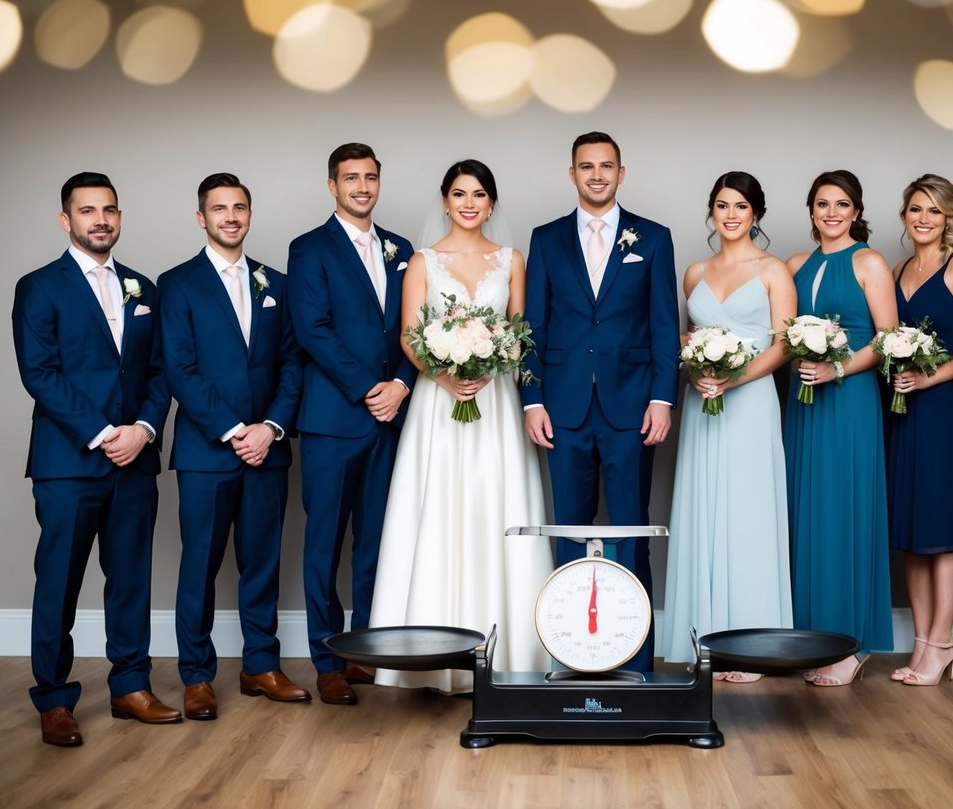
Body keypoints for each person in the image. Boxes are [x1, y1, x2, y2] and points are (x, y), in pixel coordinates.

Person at [369, 160, 553, 693]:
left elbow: (520, 334)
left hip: (495, 403)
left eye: (478, 195)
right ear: (445, 201)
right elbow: (409, 336)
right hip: (438, 404)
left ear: (491, 203)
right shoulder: (422, 261)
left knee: (496, 505)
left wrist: (490, 365)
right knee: (440, 507)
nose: (469, 203)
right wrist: (444, 374)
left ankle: (512, 650)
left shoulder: (511, 260)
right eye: (459, 194)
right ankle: (431, 654)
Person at [12, 172, 177, 746]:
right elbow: (40, 373)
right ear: (67, 220)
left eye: (108, 210)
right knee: (58, 583)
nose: (99, 220)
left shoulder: (143, 288)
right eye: (87, 211)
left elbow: (159, 371)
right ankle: (54, 699)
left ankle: (131, 686)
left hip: (135, 460)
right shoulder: (39, 286)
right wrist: (105, 433)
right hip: (68, 463)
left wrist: (144, 429)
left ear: (119, 217)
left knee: (131, 580)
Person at [522, 131, 680, 674]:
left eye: (606, 166)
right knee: (569, 531)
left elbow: (664, 325)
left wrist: (662, 397)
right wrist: (532, 400)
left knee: (633, 532)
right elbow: (533, 327)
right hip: (562, 409)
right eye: (586, 166)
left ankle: (638, 660)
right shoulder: (546, 239)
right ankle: (571, 656)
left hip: (632, 407)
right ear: (572, 174)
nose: (596, 175)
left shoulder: (653, 238)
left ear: (621, 172)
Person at [158, 173, 309, 719]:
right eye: (219, 208)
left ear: (249, 214)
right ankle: (196, 675)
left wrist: (270, 427)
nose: (230, 217)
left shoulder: (277, 283)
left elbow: (293, 362)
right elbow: (180, 368)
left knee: (262, 562)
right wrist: (233, 430)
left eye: (239, 207)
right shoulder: (177, 283)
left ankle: (260, 665)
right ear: (201, 218)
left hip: (268, 448)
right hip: (207, 452)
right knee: (199, 565)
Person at [287, 143, 417, 705]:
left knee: (375, 544)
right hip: (334, 420)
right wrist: (370, 389)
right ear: (332, 186)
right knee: (324, 545)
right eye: (350, 178)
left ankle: (364, 649)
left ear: (379, 182)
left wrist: (401, 386)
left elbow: (415, 327)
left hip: (390, 419)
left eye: (369, 177)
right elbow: (312, 330)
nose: (361, 187)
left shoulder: (401, 249)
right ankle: (327, 659)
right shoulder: (308, 248)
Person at [660, 172, 795, 681]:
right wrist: (697, 371)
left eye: (740, 206)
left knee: (748, 513)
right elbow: (687, 338)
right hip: (703, 404)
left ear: (755, 213)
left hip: (750, 402)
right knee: (704, 510)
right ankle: (704, 640)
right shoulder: (694, 272)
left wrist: (732, 378)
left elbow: (784, 345)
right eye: (722, 205)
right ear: (712, 212)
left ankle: (752, 646)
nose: (731, 214)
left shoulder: (773, 270)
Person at [784, 171, 897, 686]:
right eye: (823, 203)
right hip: (803, 400)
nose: (832, 212)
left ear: (857, 211)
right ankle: (807, 639)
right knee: (805, 512)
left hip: (849, 399)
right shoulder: (795, 264)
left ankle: (852, 644)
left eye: (842, 204)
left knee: (844, 511)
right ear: (811, 210)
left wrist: (837, 369)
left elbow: (888, 339)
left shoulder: (869, 261)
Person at [887, 173, 953, 686]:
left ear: (949, 217)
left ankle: (943, 640)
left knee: (943, 528)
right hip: (902, 409)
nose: (923, 219)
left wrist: (929, 377)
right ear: (904, 216)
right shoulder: (899, 268)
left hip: (945, 409)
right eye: (915, 209)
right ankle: (921, 642)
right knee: (911, 530)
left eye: (934, 210)